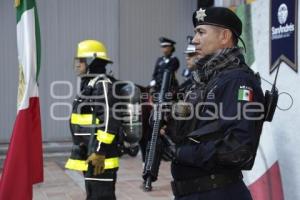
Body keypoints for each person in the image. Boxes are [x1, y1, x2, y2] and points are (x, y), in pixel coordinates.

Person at [164, 7, 265, 200]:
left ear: (225, 36)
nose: (194, 40)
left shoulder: (237, 80)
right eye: (195, 33)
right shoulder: (204, 79)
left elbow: (237, 149)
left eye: (201, 32)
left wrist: (181, 152)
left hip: (218, 193)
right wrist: (166, 129)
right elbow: (192, 131)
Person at [65, 39, 121, 200]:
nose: (77, 64)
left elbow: (109, 119)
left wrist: (99, 150)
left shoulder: (102, 84)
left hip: (100, 158)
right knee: (93, 195)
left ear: (92, 61)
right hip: (91, 155)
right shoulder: (89, 83)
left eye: (81, 60)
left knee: (101, 196)